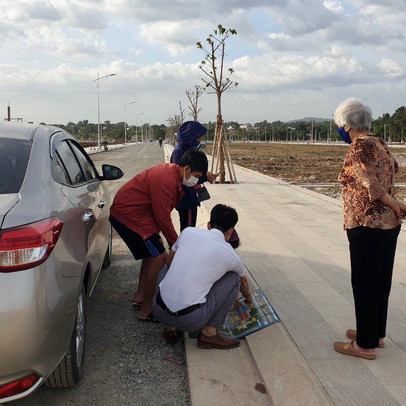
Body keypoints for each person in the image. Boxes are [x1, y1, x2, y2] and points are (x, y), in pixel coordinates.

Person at [332, 98, 406, 360]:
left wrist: (394, 202)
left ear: (348, 125)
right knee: (380, 282)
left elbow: (369, 183)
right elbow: (393, 169)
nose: (342, 131)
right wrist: (394, 205)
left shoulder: (358, 146)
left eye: (341, 126)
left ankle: (364, 345)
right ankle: (375, 333)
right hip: (388, 225)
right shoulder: (379, 143)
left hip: (367, 223)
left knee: (364, 283)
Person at [109, 149, 208, 321]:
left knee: (152, 253)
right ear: (186, 169)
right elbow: (162, 216)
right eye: (196, 176)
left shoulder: (173, 176)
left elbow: (161, 213)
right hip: (130, 217)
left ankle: (140, 297)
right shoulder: (166, 180)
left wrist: (167, 240)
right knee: (159, 258)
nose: (196, 180)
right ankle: (147, 310)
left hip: (139, 216)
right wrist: (176, 245)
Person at [151, 204, 252, 349]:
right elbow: (243, 282)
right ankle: (209, 333)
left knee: (166, 269)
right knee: (234, 279)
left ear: (209, 224)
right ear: (231, 231)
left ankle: (170, 329)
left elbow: (169, 262)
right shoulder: (231, 254)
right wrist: (248, 298)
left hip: (158, 311)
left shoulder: (188, 232)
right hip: (191, 320)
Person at [171, 121, 219, 230]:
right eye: (198, 139)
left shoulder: (187, 150)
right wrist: (206, 177)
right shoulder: (180, 152)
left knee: (189, 227)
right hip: (185, 198)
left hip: (189, 197)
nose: (200, 141)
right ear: (190, 137)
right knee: (188, 230)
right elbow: (185, 177)